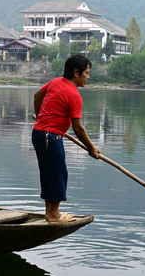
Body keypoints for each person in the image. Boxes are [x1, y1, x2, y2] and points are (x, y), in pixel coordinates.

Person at [32, 53, 100, 223]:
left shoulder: (55, 82)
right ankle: (54, 215)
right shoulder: (74, 95)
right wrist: (91, 148)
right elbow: (78, 128)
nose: (88, 77)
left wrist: (40, 117)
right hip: (50, 137)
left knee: (50, 173)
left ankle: (51, 212)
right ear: (76, 73)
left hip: (39, 134)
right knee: (57, 174)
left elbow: (37, 96)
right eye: (86, 73)